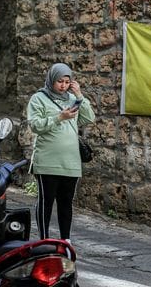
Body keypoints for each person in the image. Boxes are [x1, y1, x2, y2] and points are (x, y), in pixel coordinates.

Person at [27, 62, 95, 242]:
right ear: (51, 80)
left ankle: (66, 240)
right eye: (60, 81)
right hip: (47, 161)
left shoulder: (73, 100)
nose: (63, 85)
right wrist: (59, 118)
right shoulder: (38, 98)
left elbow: (89, 118)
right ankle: (44, 238)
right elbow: (35, 125)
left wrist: (79, 94)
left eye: (67, 81)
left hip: (70, 162)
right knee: (46, 201)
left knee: (66, 203)